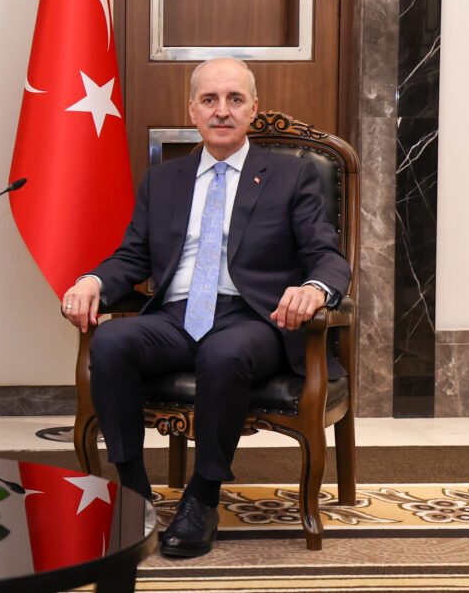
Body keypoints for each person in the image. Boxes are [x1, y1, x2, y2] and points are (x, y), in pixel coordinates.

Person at [61, 57, 350, 559]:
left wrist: (315, 288)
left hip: (253, 318)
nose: (222, 111)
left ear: (253, 108)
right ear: (191, 109)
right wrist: (93, 280)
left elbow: (325, 254)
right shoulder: (163, 179)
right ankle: (132, 489)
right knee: (111, 340)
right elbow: (132, 255)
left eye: (235, 99)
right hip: (175, 318)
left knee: (224, 353)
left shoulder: (291, 175)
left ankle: (202, 496)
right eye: (210, 99)